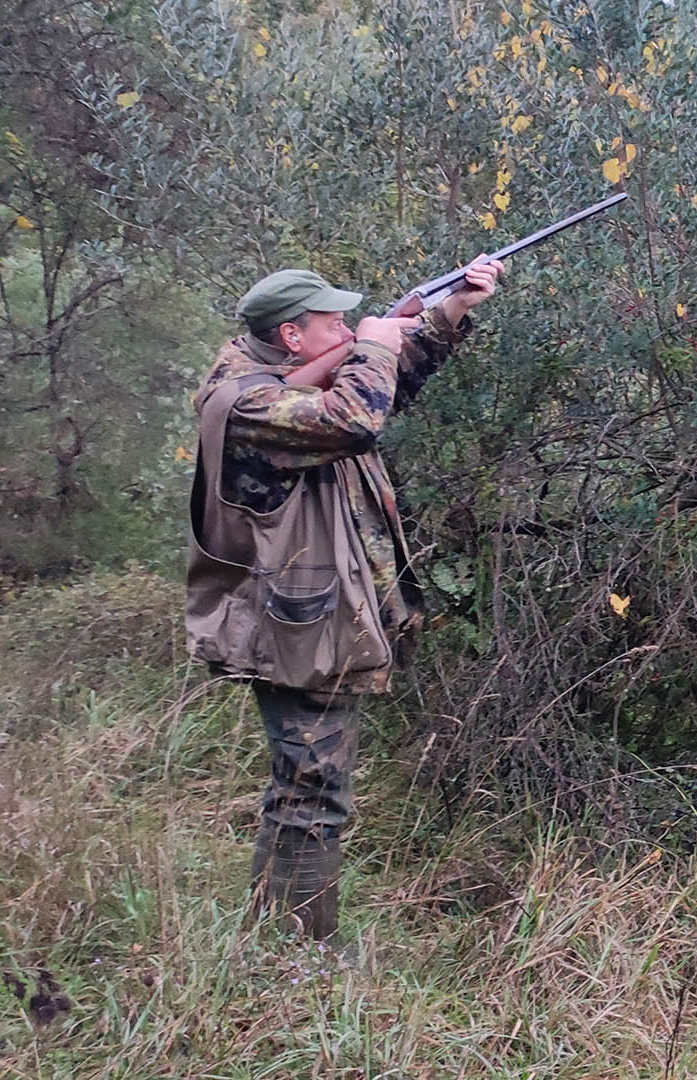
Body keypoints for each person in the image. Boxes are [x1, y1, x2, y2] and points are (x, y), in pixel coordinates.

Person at [185, 260, 504, 942]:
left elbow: (381, 391)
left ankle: (273, 943)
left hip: (310, 616)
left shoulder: (274, 377)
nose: (346, 328)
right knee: (314, 793)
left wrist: (446, 314)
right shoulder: (247, 404)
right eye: (333, 322)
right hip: (299, 628)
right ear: (293, 337)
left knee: (301, 786)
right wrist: (377, 340)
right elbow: (355, 417)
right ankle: (303, 959)